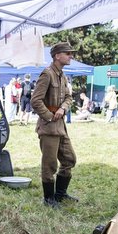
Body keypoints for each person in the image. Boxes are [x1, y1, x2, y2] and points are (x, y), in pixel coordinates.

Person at [31, 42, 79, 207]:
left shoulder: (62, 75)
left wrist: (63, 109)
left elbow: (69, 97)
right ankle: (49, 199)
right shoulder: (47, 74)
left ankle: (60, 194)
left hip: (60, 126)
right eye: (68, 53)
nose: (70, 56)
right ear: (57, 55)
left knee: (69, 159)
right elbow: (35, 100)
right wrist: (50, 116)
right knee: (49, 165)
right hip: (49, 127)